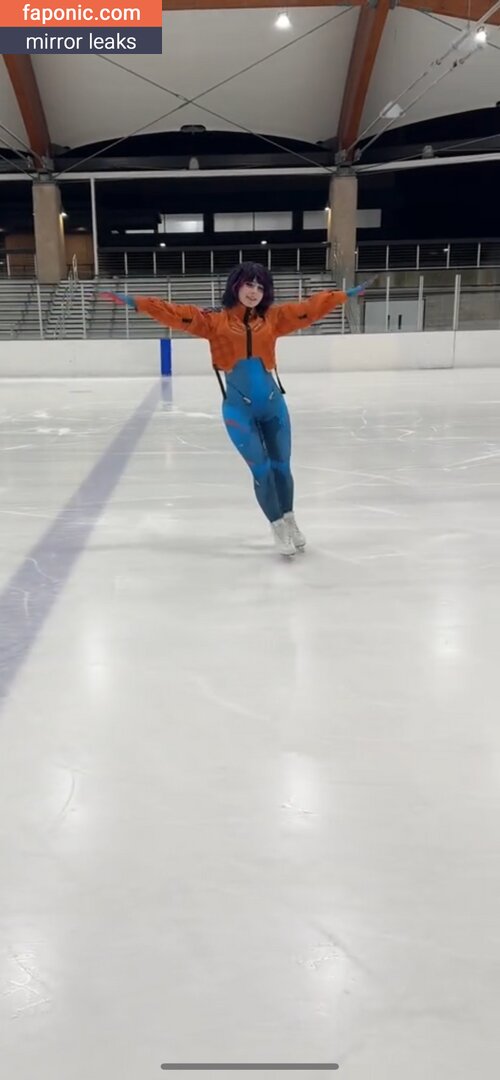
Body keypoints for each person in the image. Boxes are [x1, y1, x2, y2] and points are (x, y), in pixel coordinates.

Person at [100, 262, 371, 557]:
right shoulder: (213, 321)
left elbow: (309, 309)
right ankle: (277, 525)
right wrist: (135, 302)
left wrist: (343, 295)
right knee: (262, 470)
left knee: (282, 467)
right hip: (238, 412)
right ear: (235, 286)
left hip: (274, 407)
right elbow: (174, 313)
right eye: (249, 284)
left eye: (260, 287)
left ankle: (290, 519)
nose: (254, 292)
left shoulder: (273, 319)